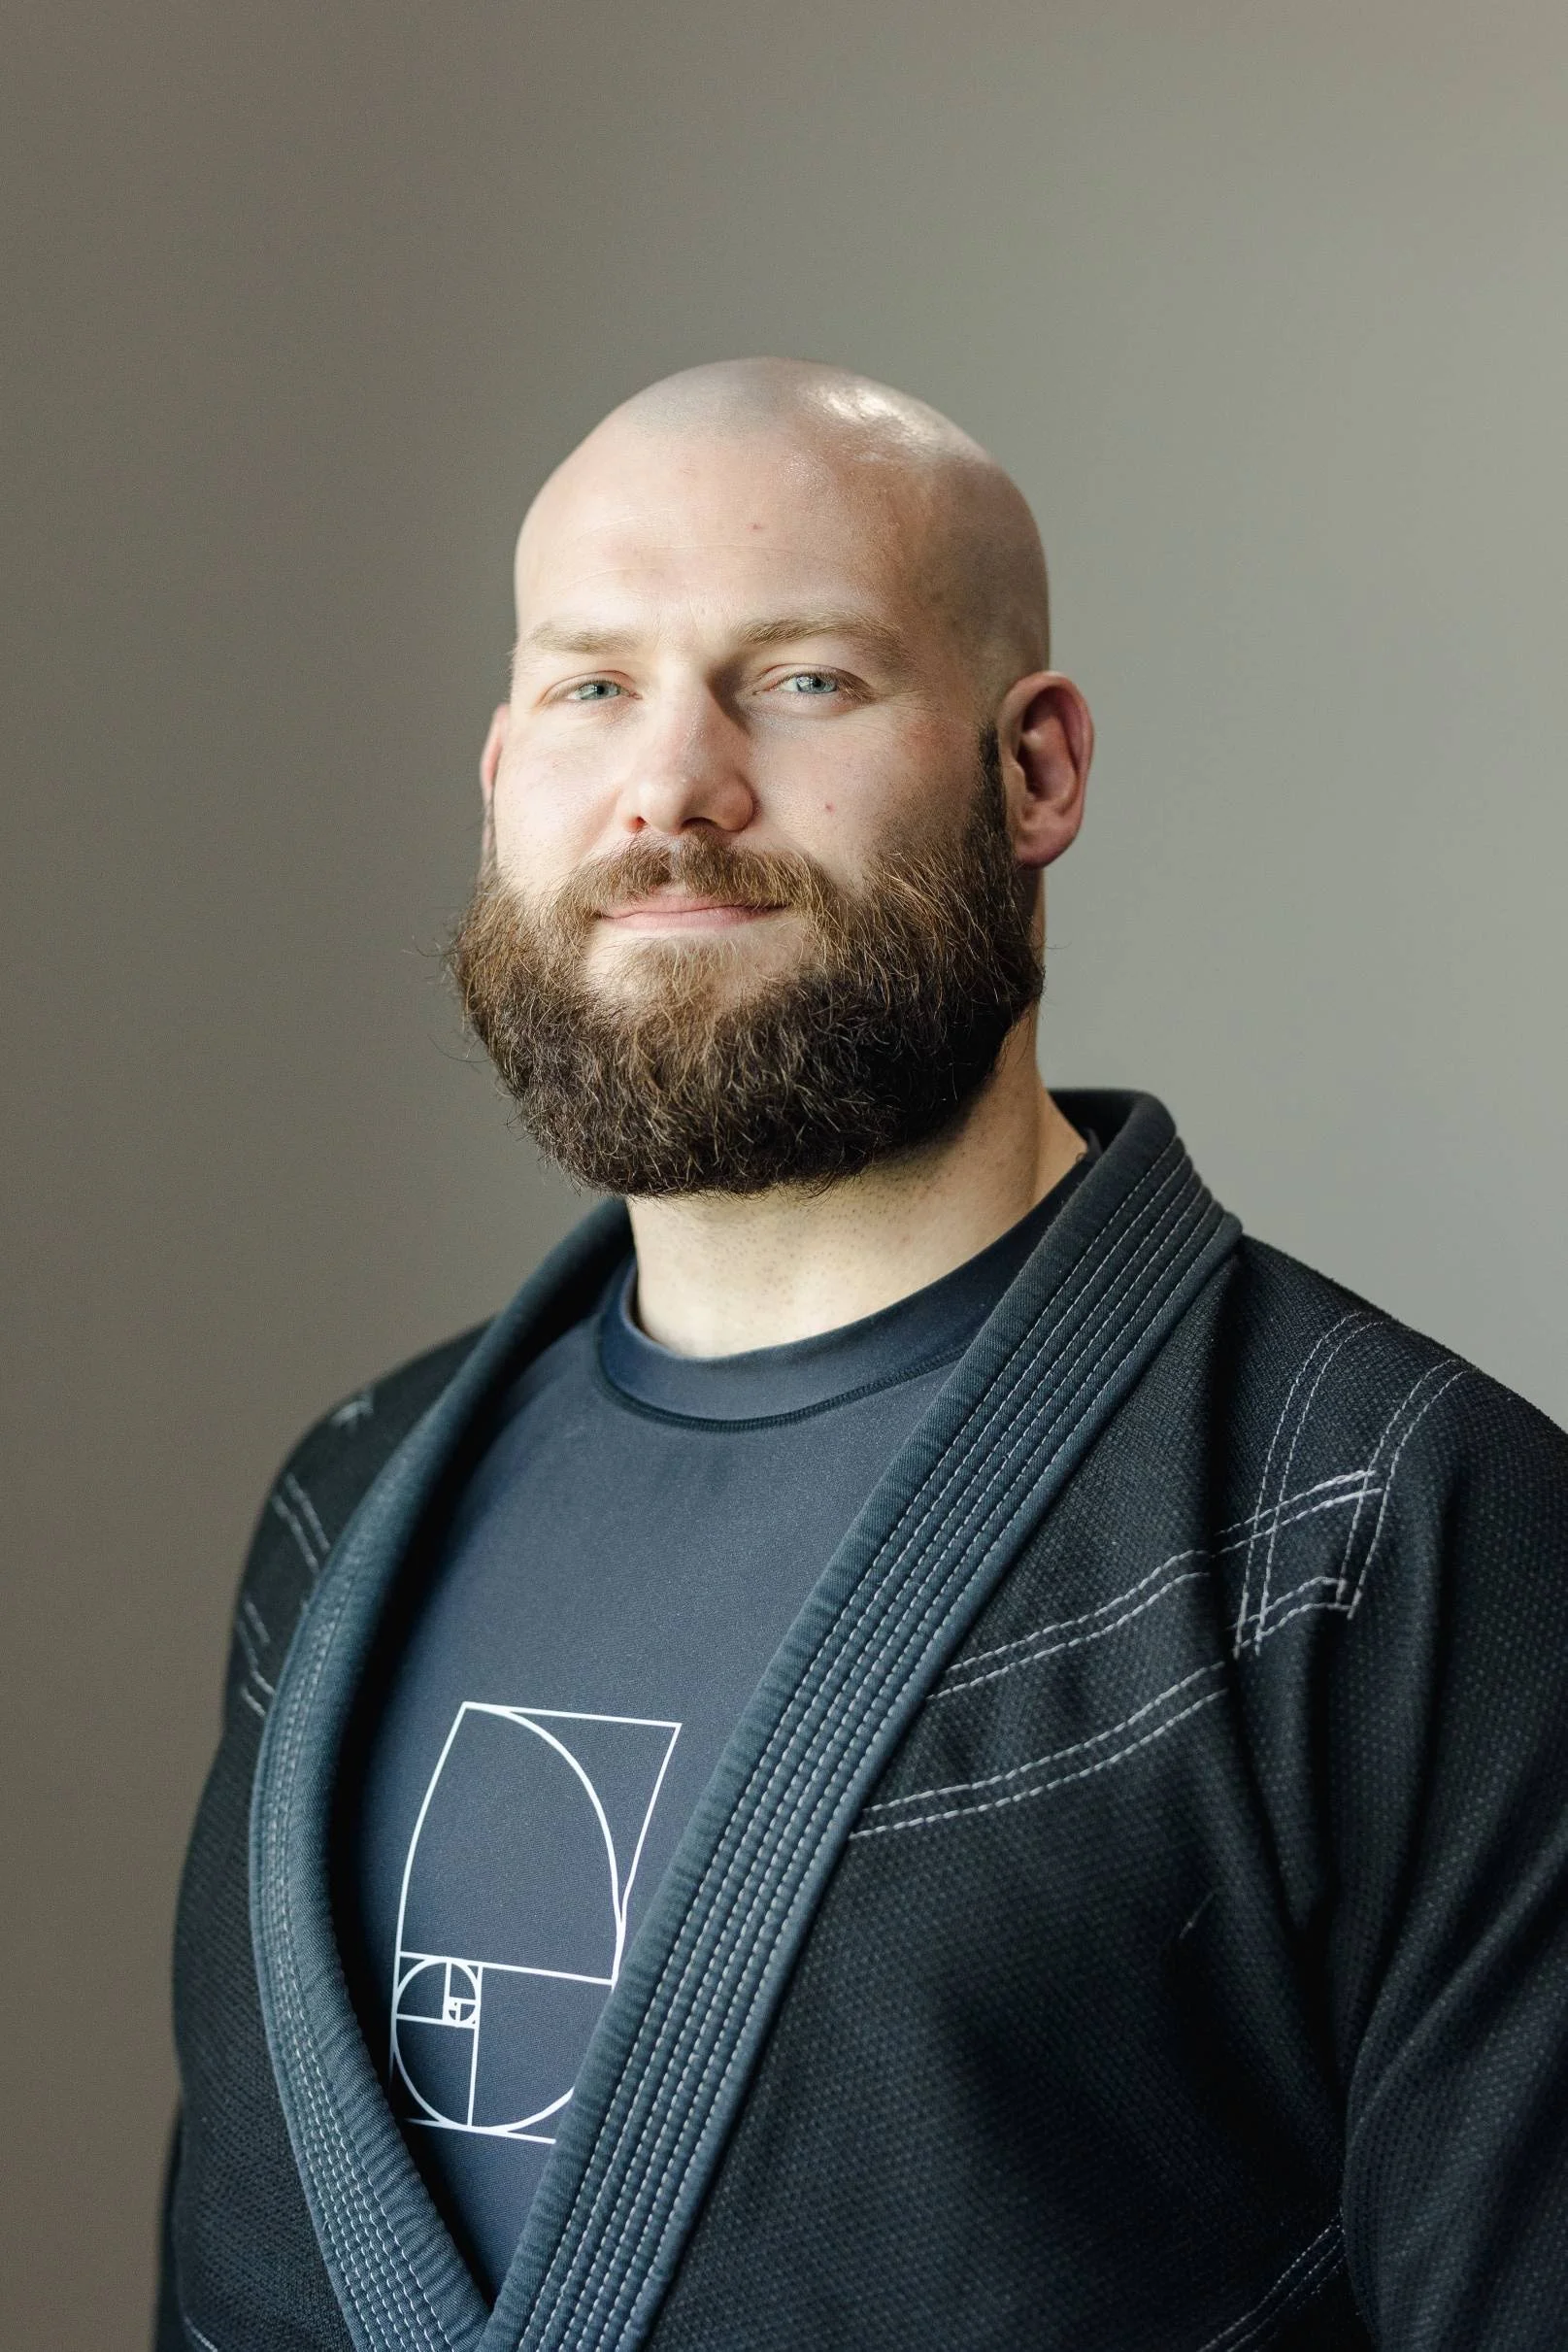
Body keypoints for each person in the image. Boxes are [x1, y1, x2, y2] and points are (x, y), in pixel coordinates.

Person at [157, 360, 1568, 2352]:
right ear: (499, 774)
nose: (671, 786)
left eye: (801, 679)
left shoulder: (1386, 1536)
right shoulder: (341, 1510)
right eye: (589, 686)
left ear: (1038, 769)